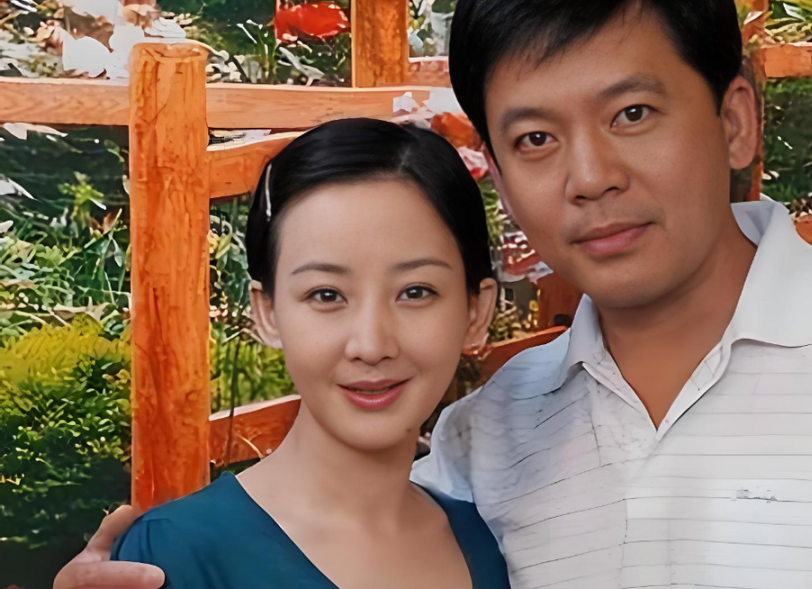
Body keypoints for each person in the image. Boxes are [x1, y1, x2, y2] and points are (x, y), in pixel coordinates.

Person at [56, 0, 812, 588]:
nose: (589, 177)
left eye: (631, 113)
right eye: (536, 138)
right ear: (499, 172)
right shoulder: (487, 437)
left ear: (733, 118)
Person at [101, 119, 509, 589]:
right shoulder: (173, 556)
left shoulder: (493, 545)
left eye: (415, 291)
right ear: (268, 313)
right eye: (326, 295)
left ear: (476, 311)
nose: (371, 345)